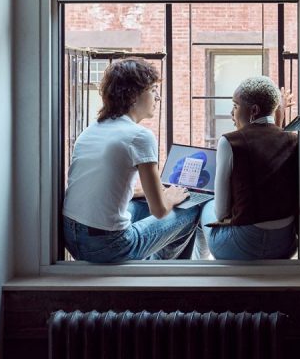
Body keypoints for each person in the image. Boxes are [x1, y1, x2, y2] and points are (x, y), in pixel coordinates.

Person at [62, 57, 199, 262]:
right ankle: (160, 271)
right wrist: (171, 196)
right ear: (134, 95)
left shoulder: (92, 130)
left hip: (70, 237)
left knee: (140, 204)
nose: (158, 97)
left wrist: (147, 191)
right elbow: (160, 210)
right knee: (189, 210)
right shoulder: (140, 136)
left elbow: (103, 187)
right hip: (108, 246)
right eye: (153, 90)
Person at [200, 76, 298, 260]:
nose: (231, 113)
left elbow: (221, 212)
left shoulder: (230, 141)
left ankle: (197, 265)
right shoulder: (294, 140)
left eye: (235, 106)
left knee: (205, 205)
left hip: (242, 246)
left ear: (253, 110)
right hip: (285, 247)